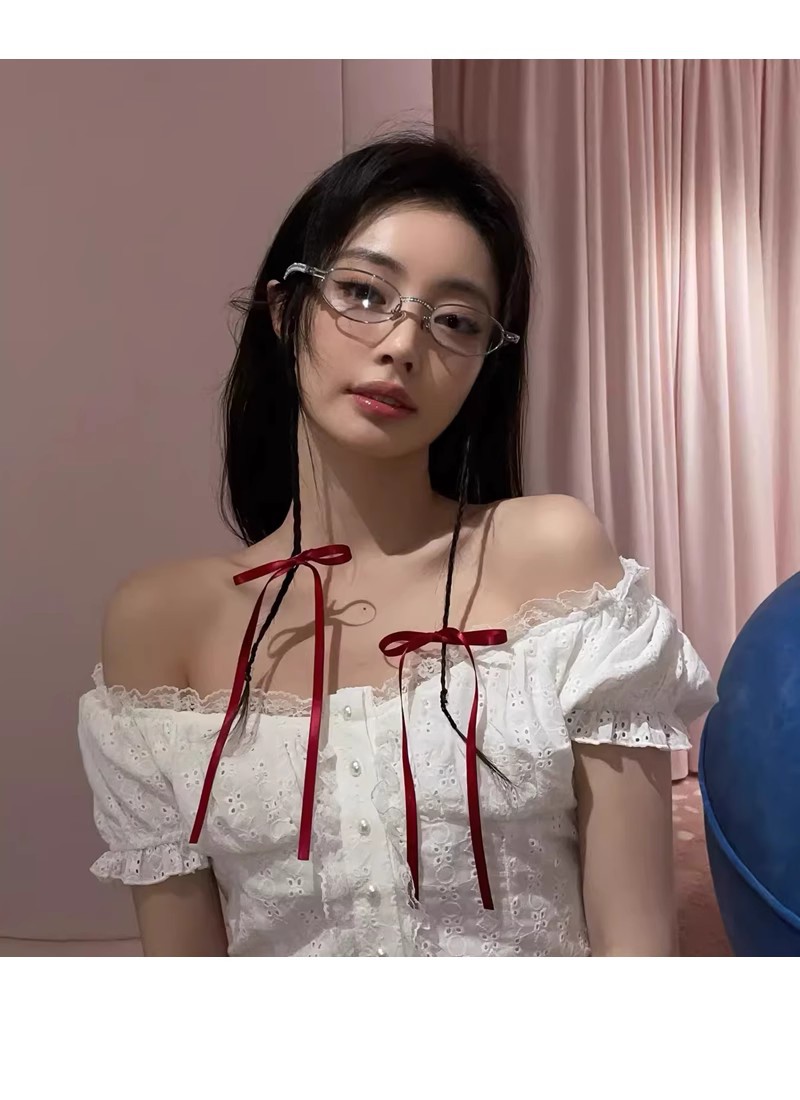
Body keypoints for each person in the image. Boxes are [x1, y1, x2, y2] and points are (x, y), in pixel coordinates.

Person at [77, 132, 716, 957]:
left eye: (454, 320)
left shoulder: (556, 564)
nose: (402, 344)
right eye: (363, 292)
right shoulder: (161, 622)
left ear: (485, 362)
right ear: (285, 312)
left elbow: (639, 948)